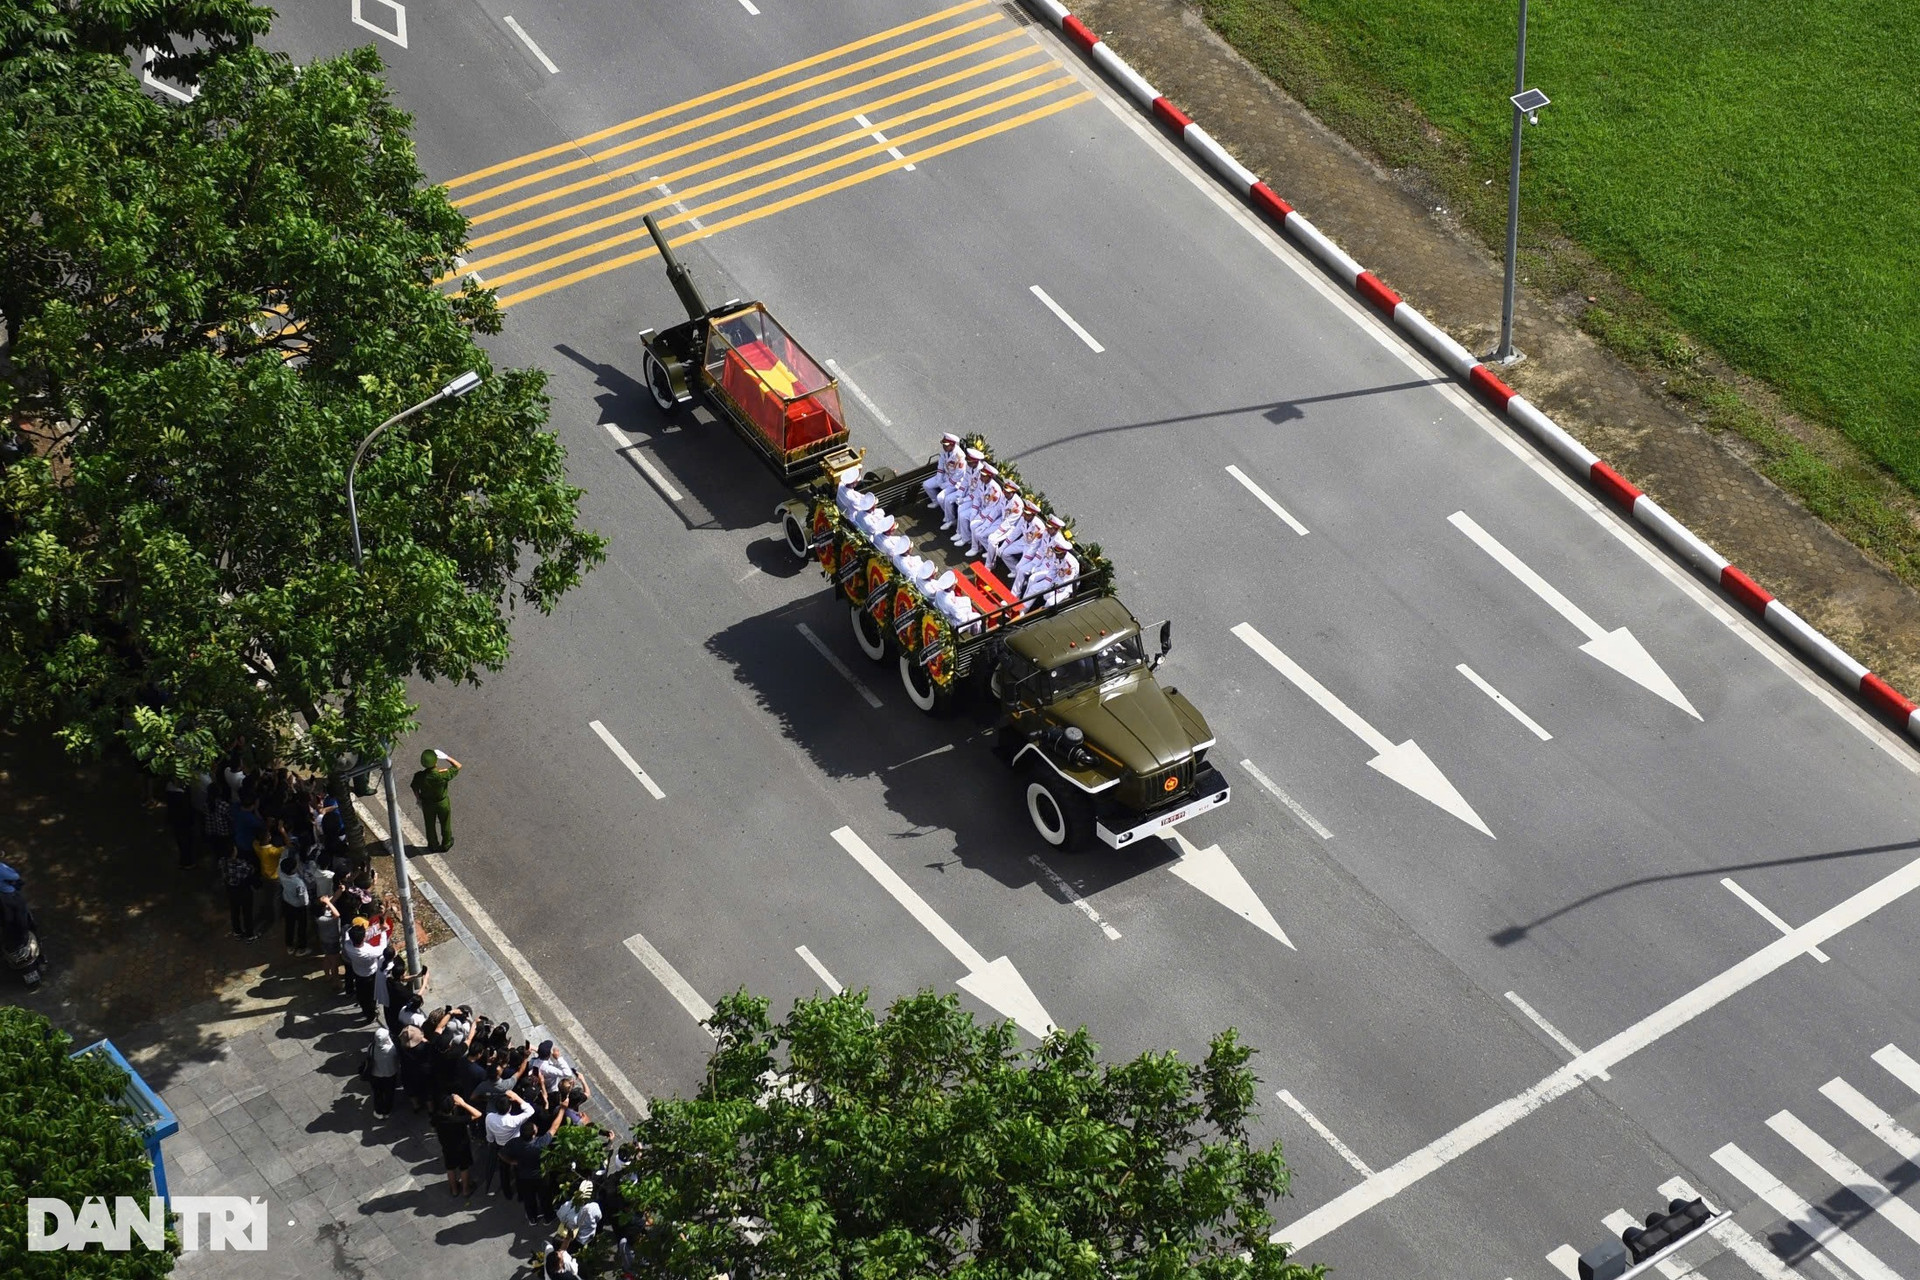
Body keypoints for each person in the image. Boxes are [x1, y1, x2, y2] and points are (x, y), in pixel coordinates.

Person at [483, 1089, 536, 1197]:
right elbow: (530, 1110)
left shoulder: (489, 1118)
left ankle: (507, 1192)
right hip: (515, 1146)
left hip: (501, 1147)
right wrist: (516, 1097)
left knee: (504, 1170)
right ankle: (521, 1192)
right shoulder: (514, 1120)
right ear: (510, 1108)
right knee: (519, 1169)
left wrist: (490, 1141)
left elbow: (489, 1135)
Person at [431, 1090, 482, 1197]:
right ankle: (466, 1189)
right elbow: (478, 1114)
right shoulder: (456, 1120)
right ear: (453, 1107)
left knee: (450, 1167)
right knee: (464, 1167)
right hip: (461, 1146)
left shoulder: (437, 1117)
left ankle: (454, 1190)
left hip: (446, 1146)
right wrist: (463, 1104)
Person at [410, 749, 461, 852]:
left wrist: (419, 799)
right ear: (436, 762)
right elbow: (458, 766)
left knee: (429, 825)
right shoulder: (442, 775)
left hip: (427, 804)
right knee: (445, 823)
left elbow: (414, 788)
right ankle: (446, 844)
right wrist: (446, 757)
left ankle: (433, 845)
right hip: (442, 803)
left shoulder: (419, 776)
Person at [344, 922, 384, 1023]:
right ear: (362, 938)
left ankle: (365, 1010)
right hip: (370, 976)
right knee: (371, 997)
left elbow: (348, 933)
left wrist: (376, 928)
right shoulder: (368, 952)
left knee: (361, 995)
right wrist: (383, 931)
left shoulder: (347, 945)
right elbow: (382, 948)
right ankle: (371, 1015)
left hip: (358, 974)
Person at [938, 447, 985, 529]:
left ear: (975, 462)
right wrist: (959, 494)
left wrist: (965, 499)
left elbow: (977, 493)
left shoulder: (981, 473)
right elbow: (965, 481)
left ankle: (960, 531)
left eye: (970, 461)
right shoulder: (970, 467)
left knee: (961, 509)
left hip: (974, 498)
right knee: (948, 499)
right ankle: (951, 520)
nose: (967, 463)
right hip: (967, 492)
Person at [223, 844, 259, 939]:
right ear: (234, 853)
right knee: (247, 913)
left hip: (231, 891)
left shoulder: (222, 862)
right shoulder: (242, 865)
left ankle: (237, 932)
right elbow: (251, 871)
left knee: (234, 912)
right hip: (244, 891)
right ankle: (249, 935)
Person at [279, 850, 310, 954]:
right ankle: (302, 948)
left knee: (289, 925)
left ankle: (289, 945)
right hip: (298, 907)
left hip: (287, 902)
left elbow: (281, 860)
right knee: (302, 927)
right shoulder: (298, 883)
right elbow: (304, 900)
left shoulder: (281, 872)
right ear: (293, 870)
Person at [367, 1025, 400, 1117]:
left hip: (375, 1075)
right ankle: (387, 1110)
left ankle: (378, 1111)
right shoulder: (392, 1049)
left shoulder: (371, 1047)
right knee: (389, 1093)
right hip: (390, 1074)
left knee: (377, 1093)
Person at [163, 777, 196, 868]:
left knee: (180, 839)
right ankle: (187, 861)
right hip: (183, 819)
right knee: (185, 839)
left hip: (176, 819)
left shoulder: (169, 788)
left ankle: (184, 860)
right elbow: (186, 809)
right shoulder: (180, 794)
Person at [923, 432, 963, 505]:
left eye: (946, 445)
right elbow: (940, 466)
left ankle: (948, 514)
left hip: (954, 482)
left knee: (941, 497)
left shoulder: (959, 456)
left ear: (952, 444)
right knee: (926, 485)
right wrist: (939, 479)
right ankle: (935, 502)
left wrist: (945, 485)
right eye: (943, 444)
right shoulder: (945, 452)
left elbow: (958, 475)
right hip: (946, 475)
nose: (944, 446)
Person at [314, 895, 343, 990]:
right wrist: (328, 902)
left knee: (327, 958)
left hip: (324, 940)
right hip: (332, 942)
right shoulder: (323, 919)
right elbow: (337, 915)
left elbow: (332, 900)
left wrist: (339, 891)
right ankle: (336, 981)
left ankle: (327, 975)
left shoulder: (319, 914)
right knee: (335, 963)